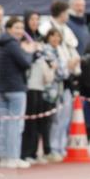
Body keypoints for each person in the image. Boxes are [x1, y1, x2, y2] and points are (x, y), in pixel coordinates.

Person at [39, 1, 81, 159]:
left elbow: (72, 48)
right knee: (55, 116)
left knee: (65, 116)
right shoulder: (45, 27)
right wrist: (66, 67)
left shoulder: (67, 29)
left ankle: (61, 145)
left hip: (69, 77)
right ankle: (53, 147)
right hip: (55, 82)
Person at [0, 16, 37, 168]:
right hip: (15, 88)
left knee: (6, 124)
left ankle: (6, 156)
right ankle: (12, 157)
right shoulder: (12, 44)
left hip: (3, 87)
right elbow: (25, 63)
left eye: (21, 28)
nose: (20, 31)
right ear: (8, 29)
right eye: (16, 28)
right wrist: (29, 52)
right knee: (15, 124)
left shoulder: (1, 43)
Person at [21, 28, 57, 164]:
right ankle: (25, 153)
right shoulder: (27, 53)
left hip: (40, 89)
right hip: (29, 89)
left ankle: (34, 152)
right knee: (29, 123)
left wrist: (50, 65)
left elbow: (49, 74)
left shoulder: (41, 55)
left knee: (36, 123)